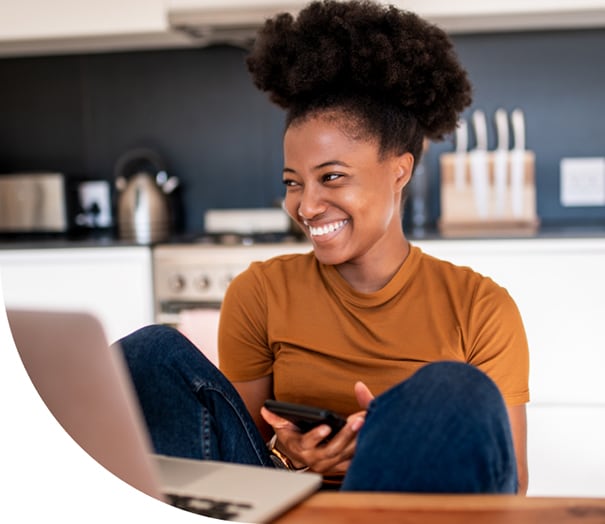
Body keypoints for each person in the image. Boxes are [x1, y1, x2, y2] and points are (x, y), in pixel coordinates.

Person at [117, 0, 529, 494]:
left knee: (451, 390)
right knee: (150, 353)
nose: (307, 206)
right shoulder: (262, 292)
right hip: (286, 505)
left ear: (399, 171)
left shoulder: (480, 307)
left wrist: (405, 436)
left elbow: (514, 483)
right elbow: (234, 452)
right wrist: (288, 459)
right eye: (293, 182)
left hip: (411, 507)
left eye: (331, 177)